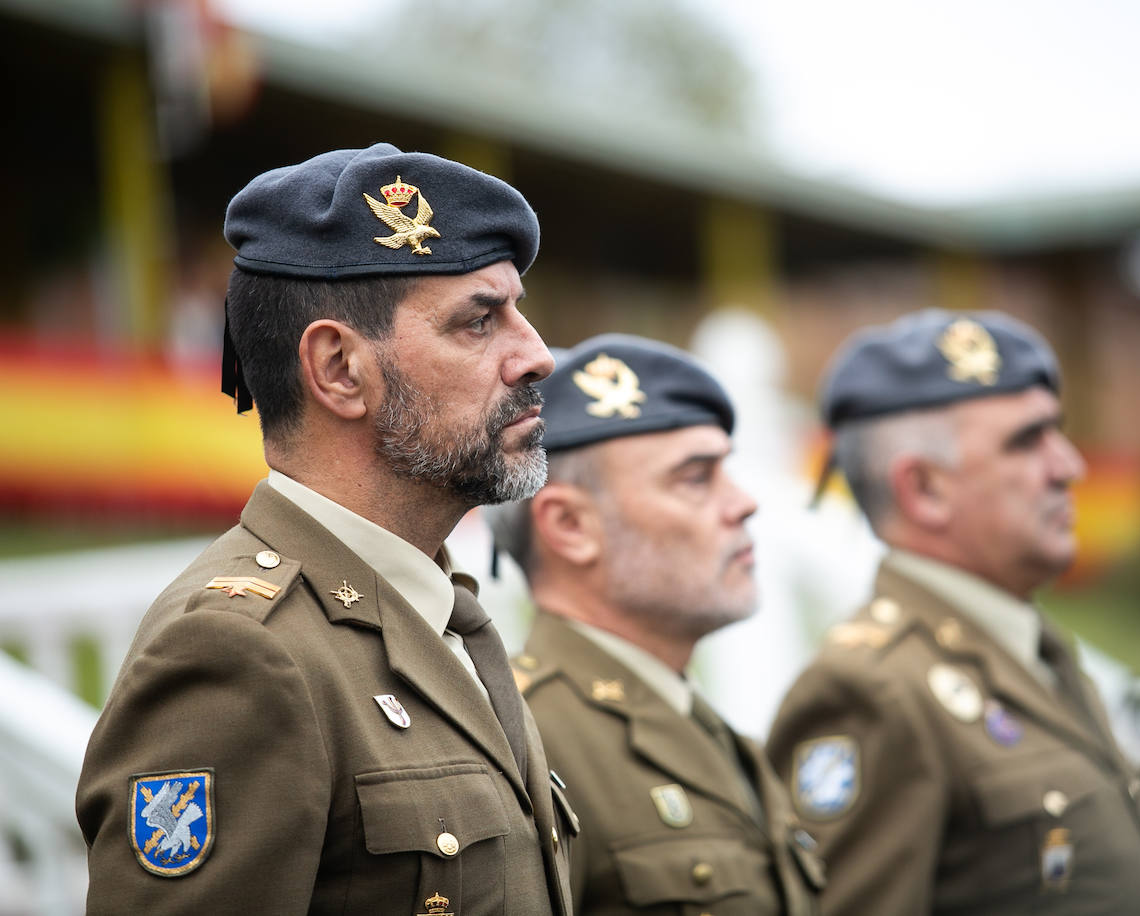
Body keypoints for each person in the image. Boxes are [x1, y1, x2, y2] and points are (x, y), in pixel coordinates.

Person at [76, 143, 578, 915]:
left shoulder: (443, 610)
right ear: (339, 369)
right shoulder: (241, 653)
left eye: (516, 310)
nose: (536, 354)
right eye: (480, 321)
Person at [766, 310, 1140, 915]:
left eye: (1057, 434)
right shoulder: (872, 691)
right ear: (924, 489)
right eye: (1027, 441)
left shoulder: (1031, 646)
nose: (1069, 467)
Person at [487, 334, 825, 915]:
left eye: (728, 469)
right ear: (569, 525)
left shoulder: (700, 722)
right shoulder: (520, 743)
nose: (744, 503)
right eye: (696, 478)